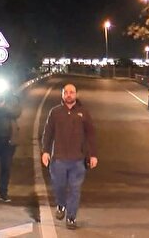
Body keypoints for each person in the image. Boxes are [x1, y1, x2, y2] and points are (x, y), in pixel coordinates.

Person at [41, 83, 98, 230]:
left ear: (76, 94)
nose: (69, 94)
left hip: (78, 160)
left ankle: (71, 217)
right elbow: (48, 133)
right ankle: (61, 204)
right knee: (59, 186)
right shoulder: (55, 112)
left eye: (71, 92)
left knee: (75, 189)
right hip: (58, 159)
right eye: (66, 92)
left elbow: (91, 134)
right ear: (62, 95)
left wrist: (93, 155)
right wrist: (45, 151)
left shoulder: (83, 113)